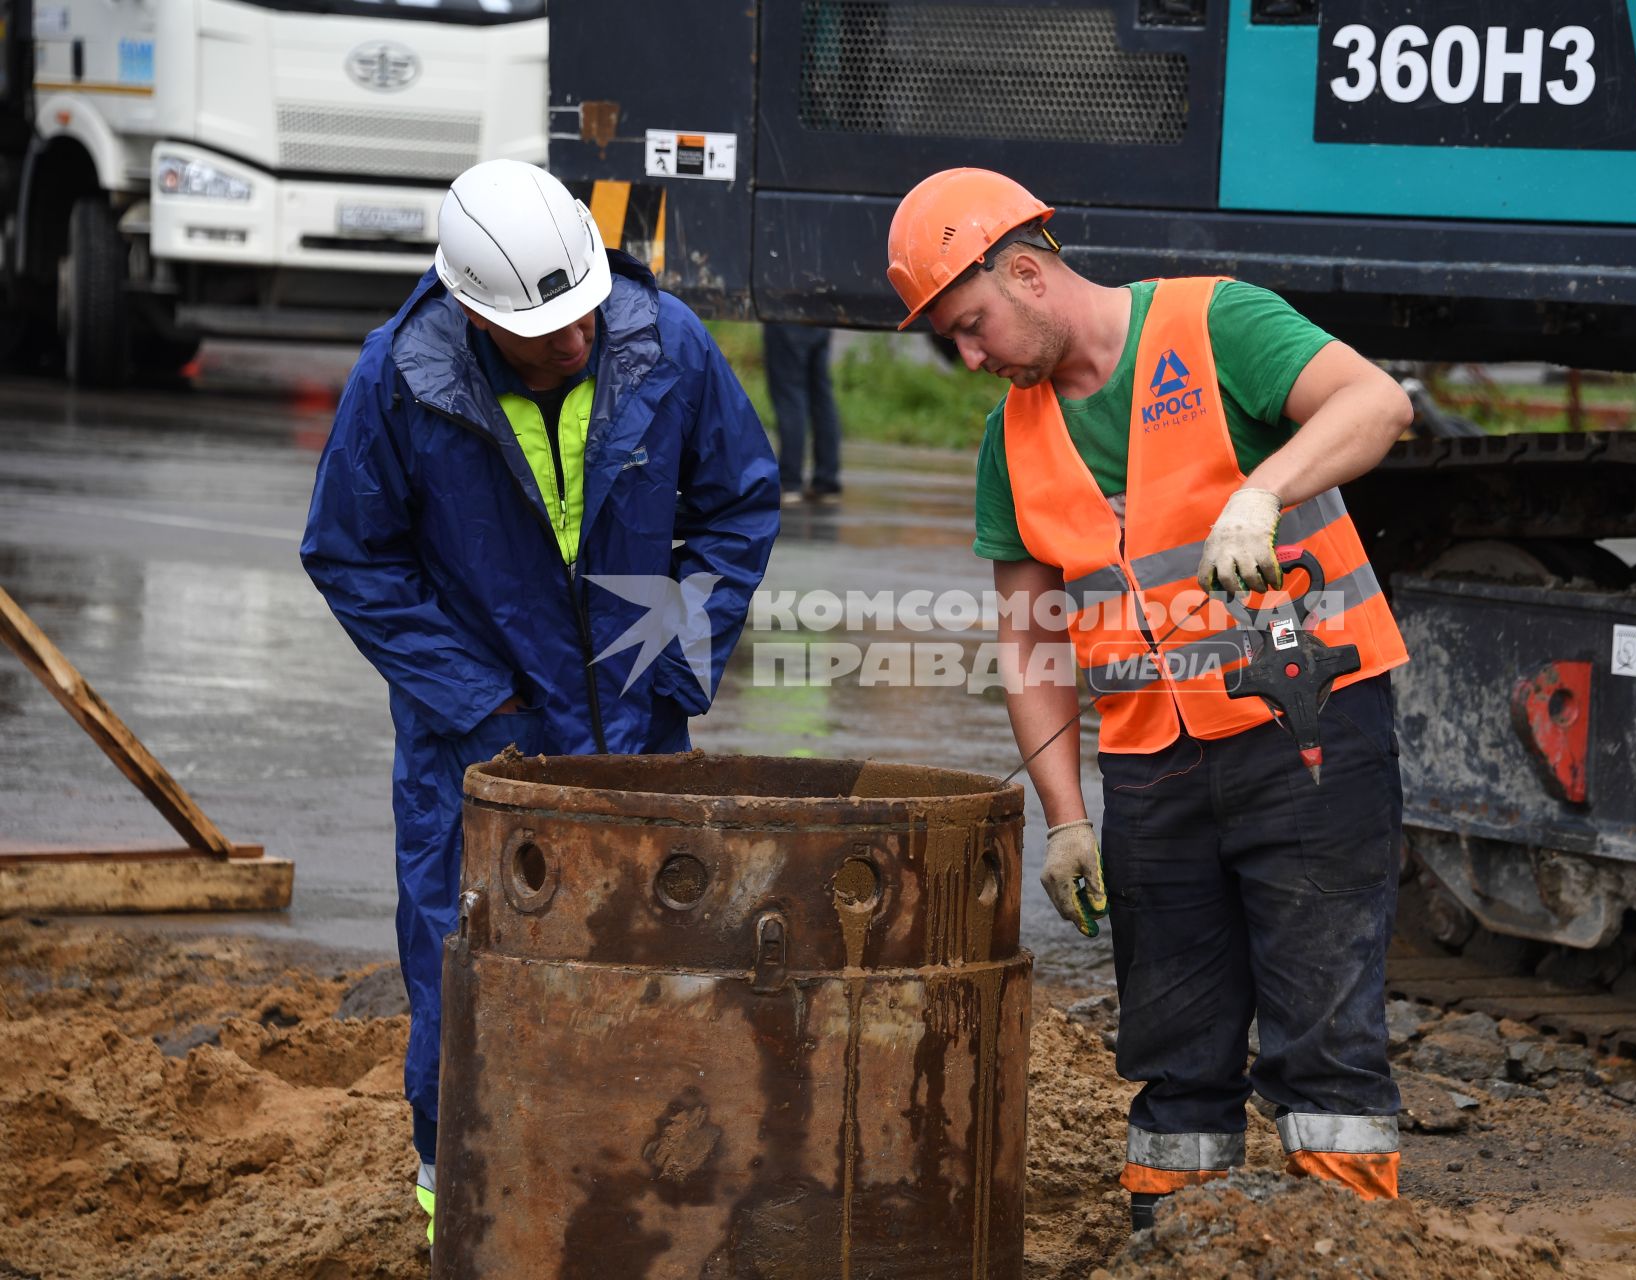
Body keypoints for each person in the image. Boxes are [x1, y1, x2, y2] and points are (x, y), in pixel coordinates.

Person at [885, 169, 1413, 1225]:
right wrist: (1067, 820)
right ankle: (1177, 1240)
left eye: (972, 324)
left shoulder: (1215, 324)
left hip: (1305, 732)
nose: (971, 356)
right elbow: (1032, 640)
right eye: (952, 339)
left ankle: (1348, 1244)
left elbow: (1377, 402)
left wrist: (1264, 491)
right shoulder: (1013, 441)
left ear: (1029, 272)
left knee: (1325, 1038)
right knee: (1176, 1049)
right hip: (1153, 772)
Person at [301, 159, 779, 1245]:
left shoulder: (665, 345)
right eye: (545, 331)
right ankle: (457, 1203)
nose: (575, 342)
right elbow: (350, 554)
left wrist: (674, 653)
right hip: (476, 750)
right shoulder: (401, 378)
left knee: (654, 971)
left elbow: (740, 504)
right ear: (472, 312)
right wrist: (474, 701)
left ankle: (642, 1201)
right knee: (462, 968)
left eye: (583, 317)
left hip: (633, 738)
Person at [762, 321, 843, 504]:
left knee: (790, 395)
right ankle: (826, 480)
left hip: (785, 311)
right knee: (821, 396)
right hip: (820, 313)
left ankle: (790, 481)